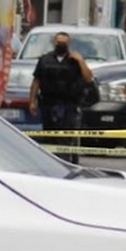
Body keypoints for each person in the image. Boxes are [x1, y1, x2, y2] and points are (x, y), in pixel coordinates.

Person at [29, 31, 94, 164]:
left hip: (68, 105)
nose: (61, 45)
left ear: (69, 44)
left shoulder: (75, 60)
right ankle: (49, 163)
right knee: (49, 136)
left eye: (64, 43)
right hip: (48, 103)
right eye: (59, 42)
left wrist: (81, 61)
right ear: (54, 42)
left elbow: (88, 78)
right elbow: (36, 81)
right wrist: (32, 101)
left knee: (66, 137)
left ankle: (65, 163)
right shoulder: (45, 60)